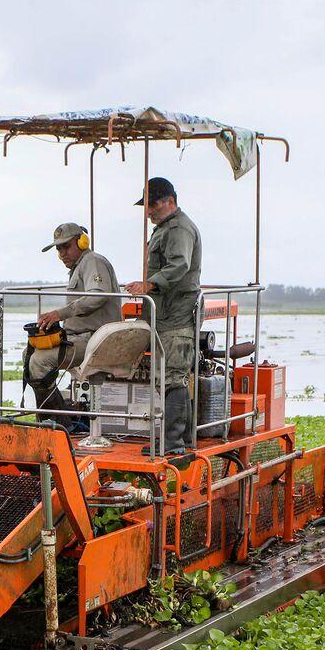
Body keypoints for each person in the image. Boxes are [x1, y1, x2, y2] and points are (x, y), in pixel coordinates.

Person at [123, 177, 201, 455]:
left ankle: (172, 444)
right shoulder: (165, 228)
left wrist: (150, 284)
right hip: (164, 314)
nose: (149, 211)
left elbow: (180, 264)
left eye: (153, 204)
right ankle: (181, 440)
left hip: (175, 315)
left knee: (173, 376)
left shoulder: (179, 229)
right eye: (147, 205)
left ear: (170, 201)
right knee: (169, 375)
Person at [25, 222, 121, 430]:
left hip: (97, 339)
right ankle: (57, 417)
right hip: (80, 336)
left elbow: (98, 296)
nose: (61, 254)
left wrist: (60, 314)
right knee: (30, 351)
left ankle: (59, 427)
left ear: (82, 241)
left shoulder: (92, 262)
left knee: (39, 362)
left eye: (66, 247)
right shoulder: (80, 267)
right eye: (58, 249)